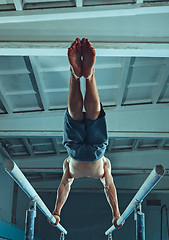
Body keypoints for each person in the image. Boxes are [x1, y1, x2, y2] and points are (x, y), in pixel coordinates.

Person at [48, 38, 124, 230]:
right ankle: (78, 76)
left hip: (96, 153)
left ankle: (88, 77)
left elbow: (65, 187)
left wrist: (57, 212)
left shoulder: (104, 162)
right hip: (76, 154)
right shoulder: (103, 165)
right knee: (75, 117)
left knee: (93, 115)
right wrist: (115, 213)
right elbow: (108, 187)